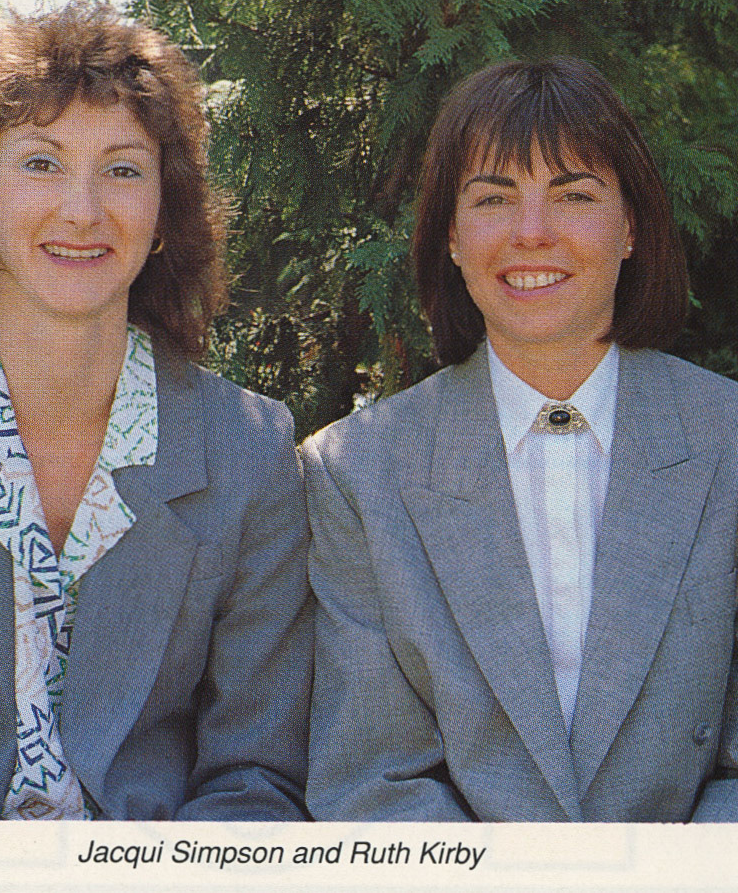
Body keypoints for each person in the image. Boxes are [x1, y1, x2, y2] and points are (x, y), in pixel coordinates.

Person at [0, 0, 311, 820]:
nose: (83, 210)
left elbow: (255, 779)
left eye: (123, 169)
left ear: (164, 215)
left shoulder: (252, 453)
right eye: (42, 163)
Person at [302, 56, 738, 821]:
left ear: (632, 226)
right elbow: (375, 780)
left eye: (573, 195)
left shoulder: (728, 442)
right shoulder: (357, 475)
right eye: (494, 198)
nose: (531, 234)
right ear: (451, 236)